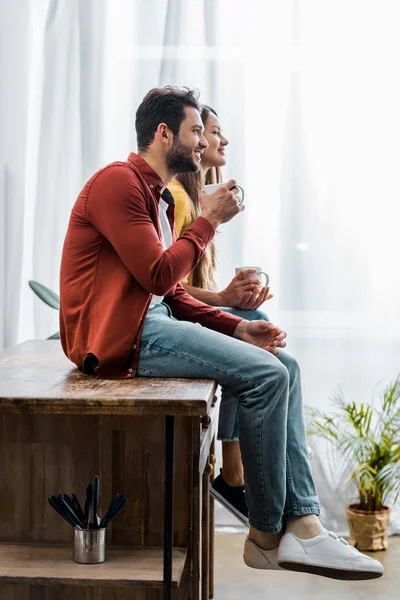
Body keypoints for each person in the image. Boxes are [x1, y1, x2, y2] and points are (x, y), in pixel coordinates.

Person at [60, 86, 383, 579]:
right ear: (163, 133)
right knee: (267, 377)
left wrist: (237, 325)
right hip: (119, 341)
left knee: (286, 366)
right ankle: (268, 536)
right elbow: (159, 277)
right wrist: (207, 220)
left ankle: (307, 525)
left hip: (152, 323)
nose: (201, 142)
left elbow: (170, 296)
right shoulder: (118, 183)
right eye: (195, 131)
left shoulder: (156, 197)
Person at [168, 105, 272, 526]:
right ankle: (234, 471)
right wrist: (222, 297)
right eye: (210, 131)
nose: (219, 141)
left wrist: (232, 299)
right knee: (258, 360)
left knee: (258, 320)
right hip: (172, 320)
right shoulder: (177, 199)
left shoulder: (198, 202)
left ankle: (235, 470)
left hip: (185, 313)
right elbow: (165, 284)